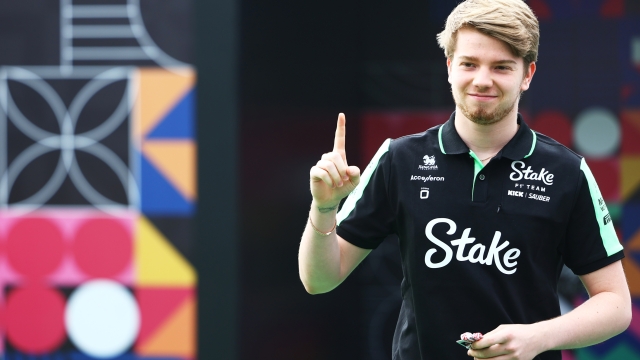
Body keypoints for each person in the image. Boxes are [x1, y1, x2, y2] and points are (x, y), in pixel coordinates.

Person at [297, 0, 631, 359]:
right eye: (469, 64)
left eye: (501, 67)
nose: (482, 80)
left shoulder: (566, 171)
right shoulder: (399, 159)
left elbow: (615, 305)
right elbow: (319, 279)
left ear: (528, 74)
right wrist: (324, 207)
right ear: (449, 67)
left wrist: (538, 338)